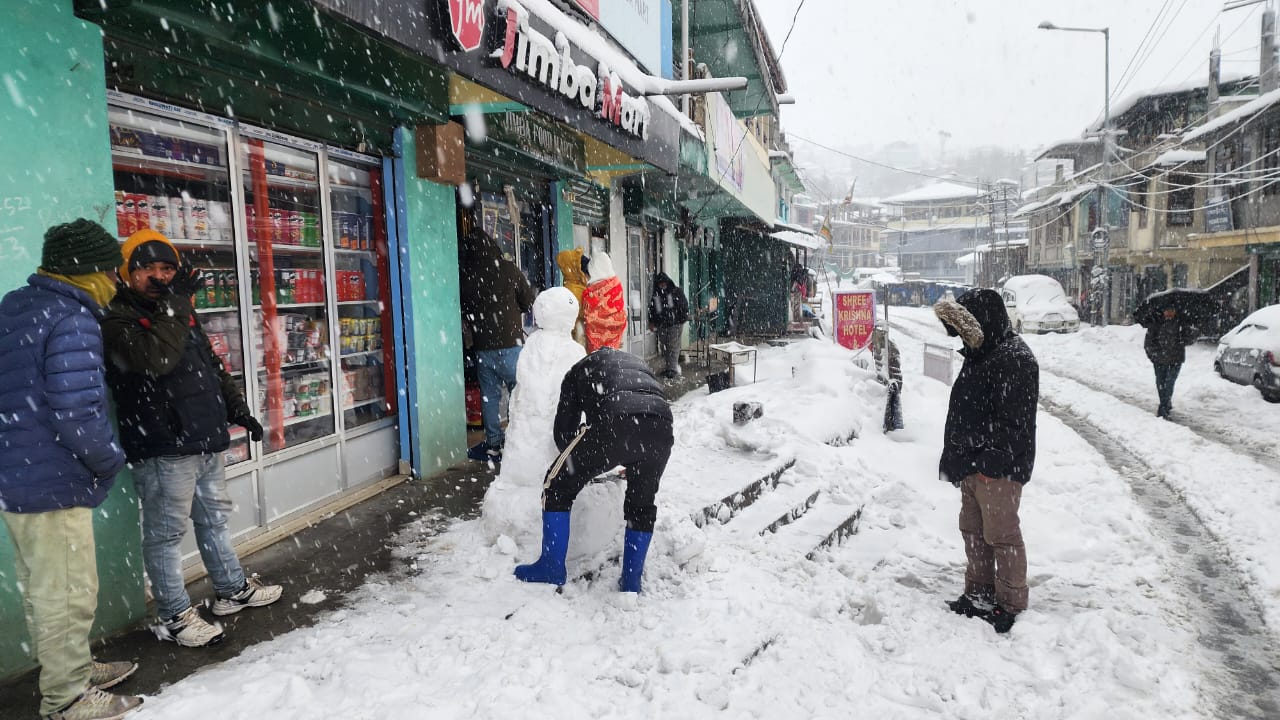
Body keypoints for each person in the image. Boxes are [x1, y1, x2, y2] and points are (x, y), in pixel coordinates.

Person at [101, 229, 280, 649]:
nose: (159, 276)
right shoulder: (115, 319)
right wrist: (176, 303)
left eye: (167, 268)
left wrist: (238, 410)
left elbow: (210, 367)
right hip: (163, 447)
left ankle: (231, 589)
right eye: (147, 268)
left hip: (204, 438)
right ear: (127, 272)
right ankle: (174, 615)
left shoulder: (179, 311)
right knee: (165, 534)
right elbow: (156, 360)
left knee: (214, 519)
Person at [0, 219, 143, 719]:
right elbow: (77, 413)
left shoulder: (16, 306)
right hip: (52, 479)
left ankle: (71, 667)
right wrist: (109, 461)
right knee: (68, 592)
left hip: (17, 475)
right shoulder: (73, 318)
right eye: (110, 271)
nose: (115, 281)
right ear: (88, 271)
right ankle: (68, 698)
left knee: (44, 587)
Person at [513, 347, 674, 593]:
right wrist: (629, 460)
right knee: (641, 506)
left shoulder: (575, 374)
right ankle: (631, 583)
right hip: (662, 426)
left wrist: (582, 468)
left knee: (555, 486)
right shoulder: (637, 363)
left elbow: (564, 434)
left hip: (616, 419)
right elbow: (642, 421)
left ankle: (551, 567)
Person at [933, 288, 1038, 634]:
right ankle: (978, 593)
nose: (962, 337)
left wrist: (993, 464)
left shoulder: (1016, 358)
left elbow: (1015, 423)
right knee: (974, 532)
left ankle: (1009, 603)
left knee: (1002, 536)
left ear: (984, 322)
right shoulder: (982, 352)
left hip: (999, 469)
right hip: (973, 463)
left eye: (966, 327)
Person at [460, 229, 536, 463]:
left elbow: (465, 307)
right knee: (518, 393)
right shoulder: (509, 270)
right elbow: (528, 300)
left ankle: (493, 444)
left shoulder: (467, 275)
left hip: (483, 347)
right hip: (511, 344)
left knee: (489, 397)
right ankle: (517, 440)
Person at [1143, 307, 1198, 419]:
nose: (1169, 313)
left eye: (1172, 310)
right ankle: (1165, 404)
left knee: (1169, 383)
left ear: (1175, 311)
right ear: (1163, 311)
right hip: (1160, 360)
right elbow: (1148, 343)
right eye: (1167, 310)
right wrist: (1154, 356)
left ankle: (1163, 407)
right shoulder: (1156, 323)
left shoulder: (1181, 322)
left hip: (1175, 359)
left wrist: (1190, 333)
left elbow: (1188, 340)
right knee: (1161, 383)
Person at [581, 250, 626, 352]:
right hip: (615, 338)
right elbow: (618, 309)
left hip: (596, 346)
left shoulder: (592, 291)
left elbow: (588, 315)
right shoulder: (616, 284)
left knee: (599, 363)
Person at [648, 272, 689, 379]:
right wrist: (652, 321)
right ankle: (669, 368)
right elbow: (652, 309)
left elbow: (684, 306)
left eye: (663, 283)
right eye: (660, 284)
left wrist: (680, 319)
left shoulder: (676, 292)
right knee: (664, 347)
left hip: (675, 324)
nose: (662, 286)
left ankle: (672, 370)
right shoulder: (656, 295)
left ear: (667, 282)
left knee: (673, 346)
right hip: (662, 325)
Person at [870, 326, 903, 432]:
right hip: (889, 385)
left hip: (892, 385)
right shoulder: (881, 346)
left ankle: (893, 427)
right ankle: (892, 426)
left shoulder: (890, 346)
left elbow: (896, 370)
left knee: (892, 410)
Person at [556, 248, 589, 348]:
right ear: (580, 272)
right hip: (578, 338)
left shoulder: (572, 286)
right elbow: (581, 315)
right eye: (587, 273)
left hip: (575, 336)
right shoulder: (575, 289)